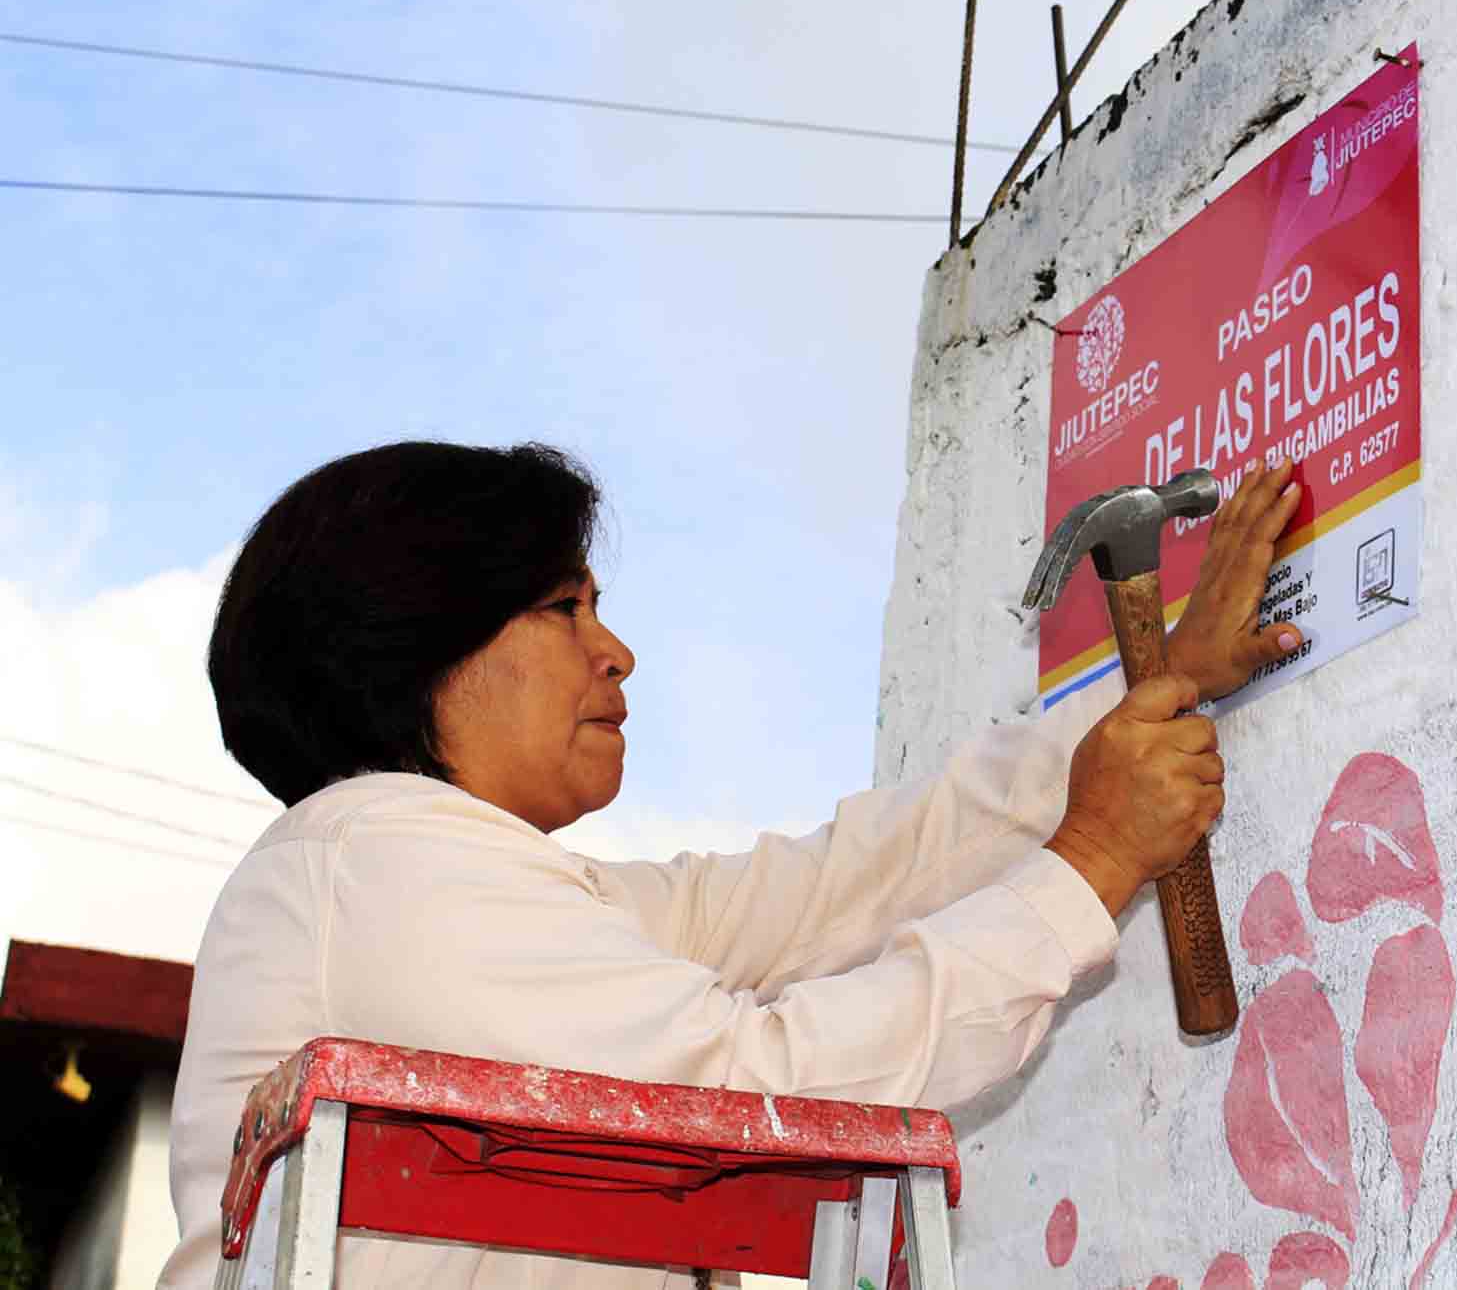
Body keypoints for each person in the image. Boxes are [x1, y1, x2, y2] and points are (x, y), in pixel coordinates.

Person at [158, 440, 1305, 1289]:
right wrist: (1093, 859)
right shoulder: (378, 864)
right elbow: (755, 1092)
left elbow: (830, 888)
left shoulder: (468, 888)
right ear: (420, 646)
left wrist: (1144, 697)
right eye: (565, 608)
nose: (616, 651)